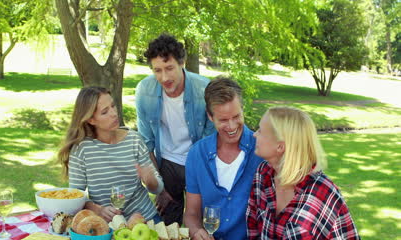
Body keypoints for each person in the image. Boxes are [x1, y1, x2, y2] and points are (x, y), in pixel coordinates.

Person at [135, 34, 215, 225]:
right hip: (167, 164)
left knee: (202, 223)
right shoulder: (144, 91)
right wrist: (160, 187)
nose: (164, 77)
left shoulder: (204, 89)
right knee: (167, 224)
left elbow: (210, 141)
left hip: (200, 161)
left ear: (182, 63)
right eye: (157, 70)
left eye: (169, 68)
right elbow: (146, 143)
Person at [246, 106, 360, 239]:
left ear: (280, 146)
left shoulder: (318, 196)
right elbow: (253, 226)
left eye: (260, 131)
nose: (254, 134)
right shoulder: (263, 173)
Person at [58, 86, 164, 222]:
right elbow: (75, 197)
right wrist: (98, 209)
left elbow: (158, 188)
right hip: (107, 225)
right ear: (91, 120)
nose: (114, 113)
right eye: (105, 112)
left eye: (113, 106)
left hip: (145, 218)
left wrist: (151, 181)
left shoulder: (134, 140)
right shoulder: (82, 150)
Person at [184, 77, 263, 240]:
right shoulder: (197, 154)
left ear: (243, 108)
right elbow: (191, 214)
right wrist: (196, 231)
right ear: (210, 117)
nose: (232, 126)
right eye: (223, 120)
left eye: (236, 116)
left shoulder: (262, 150)